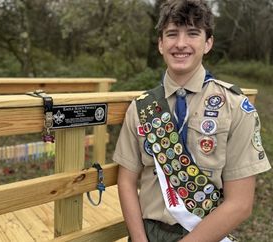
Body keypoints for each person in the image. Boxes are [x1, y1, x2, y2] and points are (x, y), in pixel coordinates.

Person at [112, 0, 271, 242]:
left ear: (208, 43)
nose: (180, 44)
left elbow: (240, 203)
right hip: (147, 233)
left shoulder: (236, 107)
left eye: (193, 33)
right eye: (172, 34)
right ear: (160, 44)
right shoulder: (141, 108)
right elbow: (126, 180)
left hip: (207, 235)